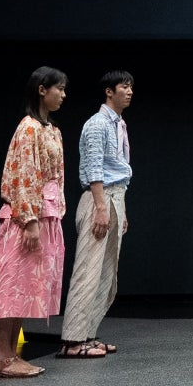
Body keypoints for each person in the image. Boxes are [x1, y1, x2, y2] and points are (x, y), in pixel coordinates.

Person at [0, 66, 69, 378]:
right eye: (59, 88)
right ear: (42, 90)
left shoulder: (52, 130)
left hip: (46, 213)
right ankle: (2, 357)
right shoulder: (29, 127)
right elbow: (24, 174)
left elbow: (56, 177)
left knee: (24, 287)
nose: (63, 95)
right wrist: (30, 219)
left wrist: (52, 214)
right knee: (11, 285)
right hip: (26, 216)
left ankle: (11, 355)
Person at [59, 70, 135, 359]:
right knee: (88, 270)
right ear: (109, 91)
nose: (129, 91)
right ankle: (72, 340)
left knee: (106, 273)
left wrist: (120, 209)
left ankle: (88, 334)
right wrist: (101, 207)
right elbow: (93, 167)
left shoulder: (120, 124)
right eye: (124, 86)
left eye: (131, 87)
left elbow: (119, 170)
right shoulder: (97, 124)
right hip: (98, 199)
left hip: (115, 197)